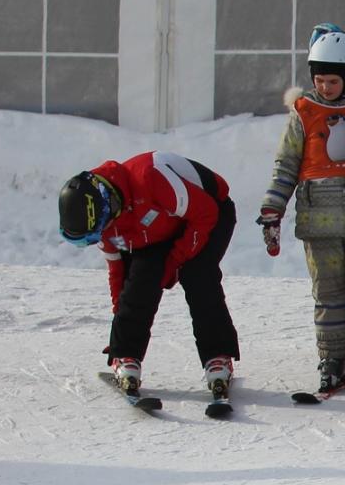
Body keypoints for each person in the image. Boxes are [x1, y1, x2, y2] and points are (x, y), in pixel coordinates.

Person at [258, 28, 345, 394]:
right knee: (329, 296)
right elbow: (286, 164)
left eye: (333, 80)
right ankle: (334, 356)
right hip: (319, 223)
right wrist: (273, 208)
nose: (325, 87)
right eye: (319, 80)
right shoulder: (303, 113)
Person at [58, 151, 242, 400]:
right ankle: (127, 355)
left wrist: (175, 262)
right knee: (142, 277)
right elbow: (118, 274)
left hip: (209, 212)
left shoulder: (150, 179)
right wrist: (121, 326)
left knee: (197, 273)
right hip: (157, 226)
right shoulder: (108, 226)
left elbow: (205, 213)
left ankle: (218, 356)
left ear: (108, 207)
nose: (102, 237)